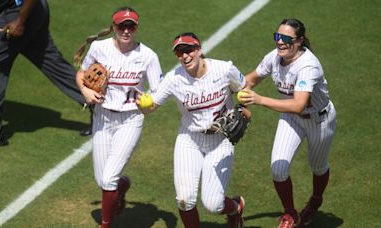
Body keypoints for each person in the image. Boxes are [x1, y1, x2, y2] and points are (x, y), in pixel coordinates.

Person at [138, 32, 245, 228]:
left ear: (199, 50)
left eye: (188, 50)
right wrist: (141, 105)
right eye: (179, 53)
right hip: (190, 139)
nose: (184, 56)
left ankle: (235, 209)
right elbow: (152, 106)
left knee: (213, 204)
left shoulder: (224, 69)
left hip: (220, 140)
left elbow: (244, 90)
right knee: (184, 200)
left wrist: (245, 111)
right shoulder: (174, 79)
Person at [240, 18, 337, 228]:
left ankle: (316, 199)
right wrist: (228, 90)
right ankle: (290, 214)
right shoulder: (274, 57)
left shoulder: (308, 65)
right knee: (278, 168)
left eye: (286, 38)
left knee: (318, 167)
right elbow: (252, 79)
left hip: (319, 120)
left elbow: (299, 104)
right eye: (277, 37)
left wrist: (258, 100)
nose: (280, 42)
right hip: (290, 118)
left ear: (300, 41)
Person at [74, 7, 162, 228]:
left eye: (130, 26)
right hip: (103, 117)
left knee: (108, 178)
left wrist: (150, 104)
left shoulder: (148, 56)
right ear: (113, 27)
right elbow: (82, 74)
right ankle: (121, 187)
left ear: (136, 28)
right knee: (102, 179)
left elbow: (158, 92)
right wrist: (85, 92)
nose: (126, 31)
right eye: (122, 26)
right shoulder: (99, 48)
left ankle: (106, 224)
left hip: (130, 120)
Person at [0, 0, 92, 147]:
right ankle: (98, 105)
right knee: (51, 63)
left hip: (21, 10)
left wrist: (20, 20)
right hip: (32, 10)